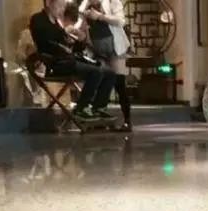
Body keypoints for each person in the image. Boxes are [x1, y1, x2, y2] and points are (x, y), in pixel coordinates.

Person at [30, 0, 116, 121]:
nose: (61, 10)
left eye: (63, 7)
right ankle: (81, 108)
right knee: (95, 72)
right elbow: (46, 40)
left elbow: (68, 46)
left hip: (68, 59)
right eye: (59, 6)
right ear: (48, 3)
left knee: (110, 73)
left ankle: (99, 107)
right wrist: (64, 33)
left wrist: (80, 40)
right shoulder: (38, 19)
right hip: (56, 63)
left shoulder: (56, 23)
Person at [79, 0, 132, 131]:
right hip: (96, 48)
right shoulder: (84, 3)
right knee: (99, 80)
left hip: (114, 47)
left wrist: (100, 17)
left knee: (119, 82)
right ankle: (98, 117)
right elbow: (80, 23)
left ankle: (127, 120)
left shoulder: (112, 1)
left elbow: (120, 21)